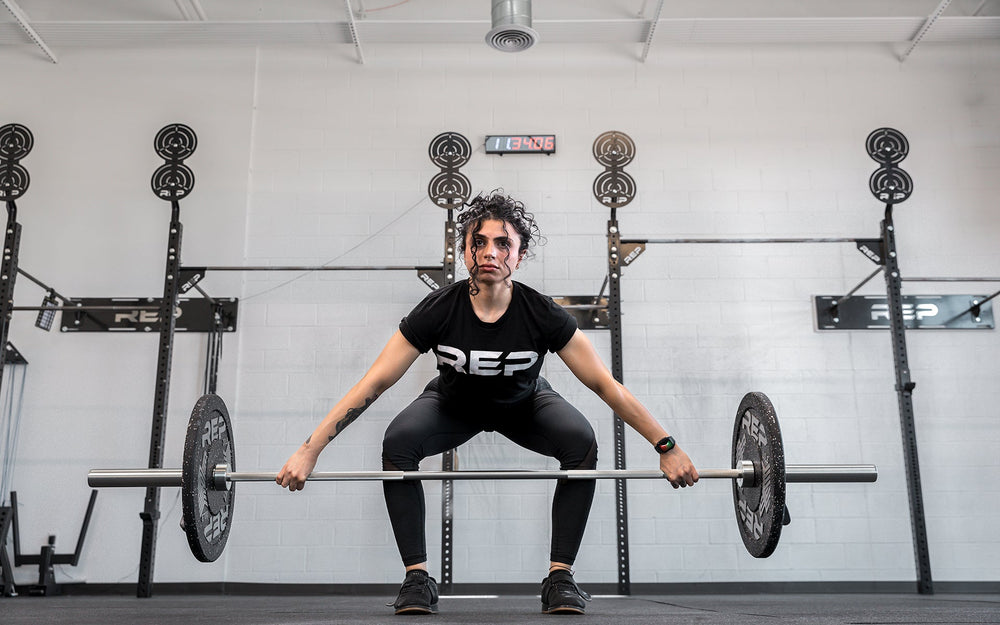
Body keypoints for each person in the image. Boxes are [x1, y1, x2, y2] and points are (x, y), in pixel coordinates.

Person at [277, 190, 698, 615]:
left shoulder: (541, 314)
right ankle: (417, 578)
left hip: (526, 405)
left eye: (502, 243)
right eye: (477, 242)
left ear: (520, 254)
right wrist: (310, 450)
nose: (488, 252)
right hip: (452, 406)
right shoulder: (438, 310)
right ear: (463, 251)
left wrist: (667, 446)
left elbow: (607, 386)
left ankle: (560, 577)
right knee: (398, 442)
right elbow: (375, 382)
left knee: (580, 442)